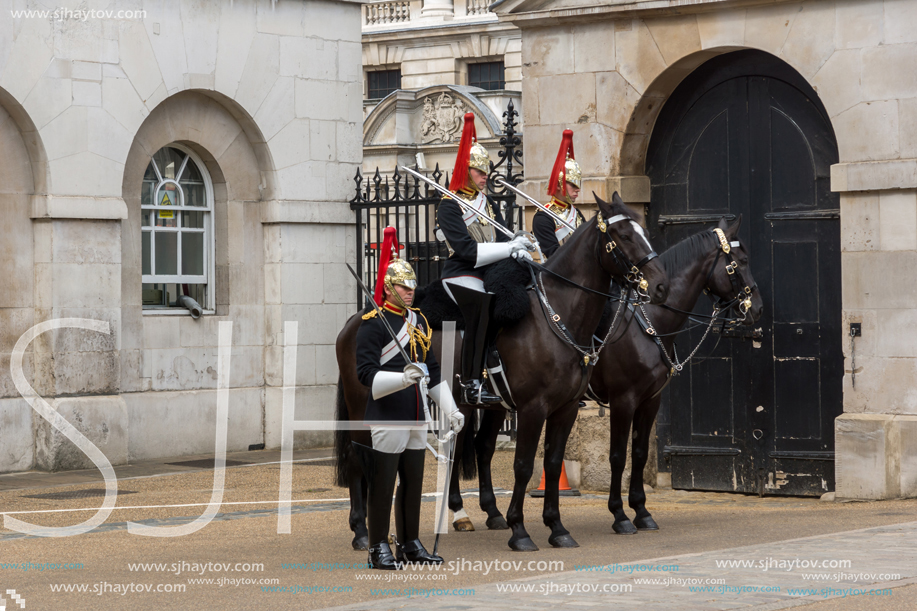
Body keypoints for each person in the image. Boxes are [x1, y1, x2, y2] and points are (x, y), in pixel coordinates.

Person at [353, 227, 464, 570]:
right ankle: (377, 547)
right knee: (384, 484)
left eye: (413, 286)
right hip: (388, 413)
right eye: (403, 286)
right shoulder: (373, 324)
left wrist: (451, 408)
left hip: (418, 415)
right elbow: (366, 376)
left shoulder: (419, 322)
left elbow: (431, 368)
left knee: (413, 483)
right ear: (388, 287)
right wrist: (402, 378)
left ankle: (410, 543)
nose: (411, 291)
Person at [436, 112, 535, 405]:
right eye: (479, 172)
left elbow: (502, 239)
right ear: (465, 171)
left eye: (486, 172)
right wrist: (508, 249)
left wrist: (517, 244)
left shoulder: (485, 202)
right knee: (481, 306)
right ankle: (471, 382)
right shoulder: (449, 205)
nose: (485, 177)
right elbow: (466, 251)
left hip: (490, 271)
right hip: (461, 273)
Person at [532, 129, 586, 259]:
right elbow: (554, 255)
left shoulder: (576, 213)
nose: (578, 189)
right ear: (558, 185)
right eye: (573, 185)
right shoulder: (543, 217)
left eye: (578, 185)